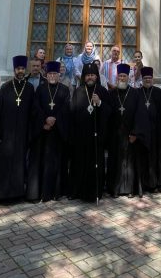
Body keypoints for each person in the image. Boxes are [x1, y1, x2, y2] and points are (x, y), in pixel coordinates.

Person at [0, 56, 35, 202]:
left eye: (22, 69)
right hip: (7, 133)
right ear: (14, 70)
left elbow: (32, 112)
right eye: (18, 69)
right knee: (5, 163)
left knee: (19, 164)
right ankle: (2, 194)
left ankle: (17, 194)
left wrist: (30, 134)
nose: (20, 71)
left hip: (22, 133)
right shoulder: (6, 87)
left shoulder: (29, 88)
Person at [27, 61, 71, 202]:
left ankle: (56, 192)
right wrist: (44, 121)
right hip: (43, 133)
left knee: (56, 163)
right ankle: (42, 193)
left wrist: (55, 120)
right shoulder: (40, 89)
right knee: (42, 162)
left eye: (55, 74)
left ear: (59, 75)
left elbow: (66, 109)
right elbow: (35, 107)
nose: (52, 76)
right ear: (46, 75)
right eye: (50, 73)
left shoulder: (65, 89)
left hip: (57, 133)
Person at [69, 62, 111, 202]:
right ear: (84, 77)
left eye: (92, 75)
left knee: (95, 165)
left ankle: (95, 193)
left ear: (97, 76)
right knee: (79, 164)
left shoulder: (102, 91)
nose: (90, 77)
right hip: (81, 137)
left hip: (96, 136)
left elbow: (109, 113)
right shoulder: (78, 91)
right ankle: (78, 191)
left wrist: (99, 103)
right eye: (87, 75)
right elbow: (72, 113)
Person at [106, 63, 148, 198]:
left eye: (124, 76)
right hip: (114, 134)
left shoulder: (135, 94)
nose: (122, 78)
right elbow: (107, 114)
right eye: (120, 76)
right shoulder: (111, 93)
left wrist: (135, 133)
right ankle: (115, 189)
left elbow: (140, 114)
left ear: (128, 78)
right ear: (117, 77)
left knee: (129, 163)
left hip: (130, 134)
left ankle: (130, 189)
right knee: (116, 161)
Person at [138, 67, 161, 194]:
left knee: (158, 158)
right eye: (145, 78)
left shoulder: (159, 93)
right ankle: (146, 183)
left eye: (149, 78)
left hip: (157, 132)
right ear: (142, 80)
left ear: (152, 79)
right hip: (143, 133)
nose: (147, 80)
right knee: (144, 158)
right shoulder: (138, 93)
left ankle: (159, 183)